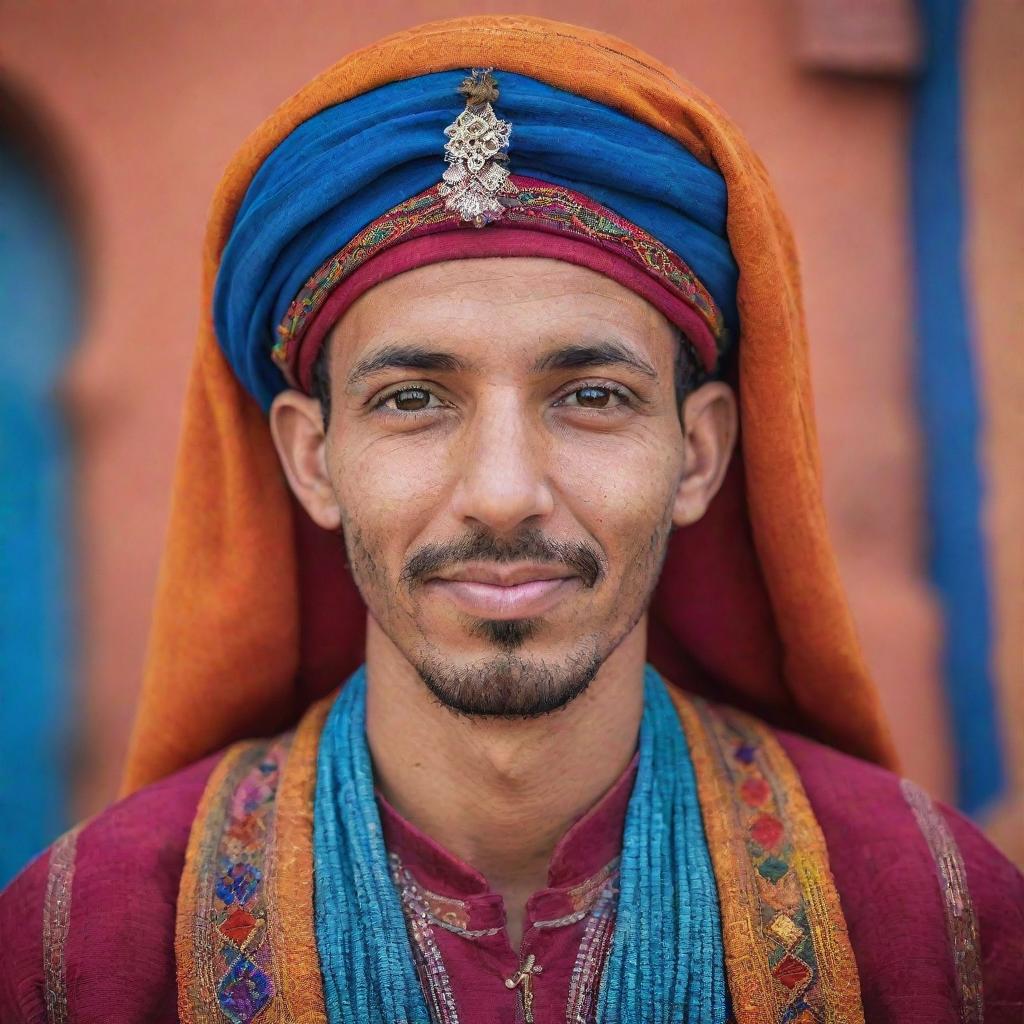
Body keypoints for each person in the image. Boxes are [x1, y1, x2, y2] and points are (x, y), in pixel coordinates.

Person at [1, 15, 1020, 1024]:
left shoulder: (926, 922)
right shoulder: (85, 946)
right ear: (311, 459)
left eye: (589, 396)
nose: (501, 491)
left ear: (698, 452)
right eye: (412, 399)